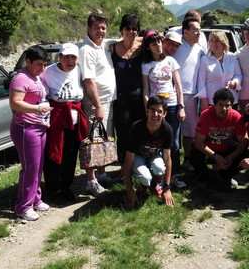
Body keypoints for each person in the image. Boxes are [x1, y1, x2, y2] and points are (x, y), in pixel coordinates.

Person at [9, 46, 53, 221]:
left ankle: (35, 199)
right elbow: (15, 103)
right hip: (25, 127)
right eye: (38, 64)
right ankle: (23, 206)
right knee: (30, 168)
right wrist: (37, 108)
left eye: (44, 65)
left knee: (37, 166)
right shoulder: (20, 78)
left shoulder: (35, 76)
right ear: (28, 61)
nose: (42, 69)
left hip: (39, 127)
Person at [41, 43, 87, 202]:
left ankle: (66, 187)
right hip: (57, 118)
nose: (70, 60)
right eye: (66, 57)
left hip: (75, 118)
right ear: (59, 57)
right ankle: (52, 189)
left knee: (71, 154)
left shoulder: (80, 70)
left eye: (73, 57)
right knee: (54, 153)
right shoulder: (48, 72)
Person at [142, 31, 186, 188]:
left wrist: (181, 106)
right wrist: (148, 109)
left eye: (159, 42)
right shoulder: (146, 65)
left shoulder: (171, 61)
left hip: (172, 105)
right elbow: (146, 90)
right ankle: (158, 176)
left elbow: (179, 86)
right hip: (156, 108)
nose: (158, 46)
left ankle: (175, 174)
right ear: (148, 48)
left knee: (174, 142)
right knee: (158, 141)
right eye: (154, 44)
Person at [79, 12, 117, 196]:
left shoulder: (104, 45)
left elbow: (130, 38)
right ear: (88, 28)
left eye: (103, 28)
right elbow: (88, 81)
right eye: (96, 28)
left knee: (103, 139)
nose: (100, 31)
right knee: (93, 142)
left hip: (108, 100)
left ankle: (102, 175)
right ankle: (90, 181)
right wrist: (97, 106)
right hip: (96, 103)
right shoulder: (86, 50)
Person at [189, 88, 249, 189]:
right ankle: (202, 177)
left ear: (232, 106)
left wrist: (232, 156)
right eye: (221, 105)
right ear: (214, 105)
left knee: (246, 154)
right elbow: (198, 142)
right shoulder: (206, 115)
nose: (224, 109)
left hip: (227, 152)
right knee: (194, 153)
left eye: (227, 105)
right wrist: (214, 156)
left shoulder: (236, 117)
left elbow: (243, 142)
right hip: (209, 152)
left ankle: (225, 175)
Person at [124, 95, 175, 207]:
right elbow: (127, 161)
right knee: (146, 178)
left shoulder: (167, 129)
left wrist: (167, 188)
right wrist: (129, 190)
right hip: (138, 157)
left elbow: (167, 158)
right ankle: (143, 185)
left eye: (159, 111)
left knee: (160, 168)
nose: (155, 115)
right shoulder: (136, 128)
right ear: (147, 111)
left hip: (154, 155)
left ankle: (154, 184)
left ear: (164, 114)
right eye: (152, 110)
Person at [110, 14, 145, 170]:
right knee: (123, 134)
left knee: (138, 131)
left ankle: (138, 165)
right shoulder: (112, 48)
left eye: (135, 29)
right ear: (121, 30)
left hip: (139, 98)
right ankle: (124, 167)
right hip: (121, 99)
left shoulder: (142, 47)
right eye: (128, 28)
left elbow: (156, 40)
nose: (131, 31)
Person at [171, 16, 205, 170]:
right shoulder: (176, 47)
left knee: (190, 131)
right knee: (173, 131)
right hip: (172, 95)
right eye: (195, 30)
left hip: (192, 95)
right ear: (185, 31)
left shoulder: (200, 50)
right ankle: (170, 161)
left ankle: (187, 159)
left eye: (199, 30)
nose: (199, 33)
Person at [196, 30, 242, 111]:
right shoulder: (204, 60)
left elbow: (238, 75)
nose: (213, 44)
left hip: (230, 100)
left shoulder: (231, 57)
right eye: (211, 41)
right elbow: (201, 82)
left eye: (217, 41)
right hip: (212, 101)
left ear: (223, 42)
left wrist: (235, 82)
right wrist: (204, 101)